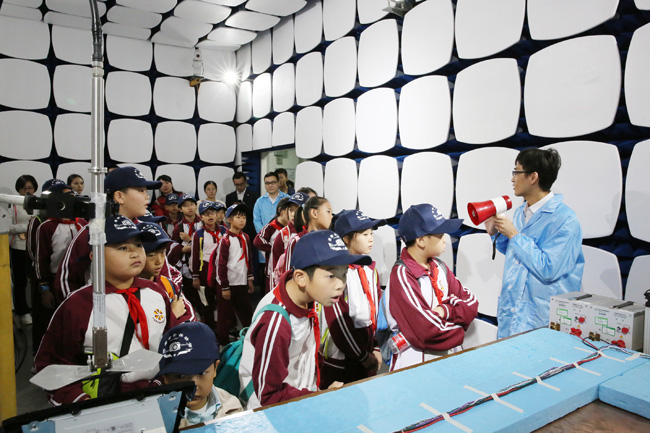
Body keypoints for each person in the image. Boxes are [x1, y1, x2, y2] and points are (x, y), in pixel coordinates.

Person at [35, 215, 183, 405]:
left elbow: (171, 344)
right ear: (95, 255)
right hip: (105, 401)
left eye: (138, 245)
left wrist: (163, 382)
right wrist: (81, 401)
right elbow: (52, 364)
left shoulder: (156, 293)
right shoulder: (79, 305)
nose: (135, 253)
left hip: (158, 393)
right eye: (123, 248)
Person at [238, 230, 371, 409]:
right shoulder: (276, 322)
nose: (341, 285)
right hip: (276, 412)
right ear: (301, 278)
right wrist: (319, 397)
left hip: (299, 398)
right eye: (331, 276)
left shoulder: (305, 298)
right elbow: (268, 395)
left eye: (344, 274)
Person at [484, 148, 584, 339]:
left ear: (533, 177)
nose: (512, 179)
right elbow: (517, 254)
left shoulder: (565, 220)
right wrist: (496, 234)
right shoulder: (521, 212)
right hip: (512, 314)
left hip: (541, 319)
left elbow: (549, 268)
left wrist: (514, 234)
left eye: (516, 172)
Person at [384, 204, 478, 371]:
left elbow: (471, 303)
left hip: (446, 359)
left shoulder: (439, 267)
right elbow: (426, 331)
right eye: (440, 235)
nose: (445, 239)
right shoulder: (402, 274)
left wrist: (445, 310)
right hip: (415, 364)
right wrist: (460, 328)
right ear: (421, 240)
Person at [54, 166, 169, 301]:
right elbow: (67, 277)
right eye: (140, 190)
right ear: (119, 196)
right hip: (102, 307)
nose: (147, 196)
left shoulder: (147, 230)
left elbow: (165, 274)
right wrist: (80, 308)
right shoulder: (94, 231)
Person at [319, 210, 386, 387]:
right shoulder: (336, 273)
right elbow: (338, 323)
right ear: (346, 239)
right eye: (364, 234)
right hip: (340, 360)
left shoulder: (370, 270)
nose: (371, 239)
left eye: (371, 233)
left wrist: (376, 346)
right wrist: (362, 356)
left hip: (367, 353)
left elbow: (377, 311)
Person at [34, 180, 87, 348]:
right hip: (55, 279)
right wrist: (44, 288)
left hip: (80, 278)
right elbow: (41, 259)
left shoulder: (82, 224)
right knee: (56, 320)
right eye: (67, 195)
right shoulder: (46, 227)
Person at [158, 322, 243, 427]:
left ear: (215, 368)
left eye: (201, 373)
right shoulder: (156, 419)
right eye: (180, 376)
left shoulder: (232, 406)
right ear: (165, 378)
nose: (193, 387)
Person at [212, 204, 254, 346]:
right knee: (224, 315)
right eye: (238, 217)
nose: (242, 220)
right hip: (228, 284)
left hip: (241, 282)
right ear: (229, 219)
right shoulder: (225, 240)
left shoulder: (246, 237)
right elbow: (221, 264)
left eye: (244, 217)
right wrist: (224, 286)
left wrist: (250, 278)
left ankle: (251, 338)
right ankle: (223, 343)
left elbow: (249, 259)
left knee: (247, 312)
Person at [136, 221, 195, 322]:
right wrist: (173, 315)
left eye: (163, 252)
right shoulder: (130, 290)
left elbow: (190, 316)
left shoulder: (167, 283)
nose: (159, 261)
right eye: (151, 255)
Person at [254, 193, 309, 293]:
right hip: (287, 286)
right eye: (291, 210)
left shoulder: (310, 233)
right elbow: (275, 267)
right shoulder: (282, 234)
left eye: (298, 210)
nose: (293, 214)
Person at [190, 201, 227, 331]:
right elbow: (195, 256)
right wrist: (195, 276)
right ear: (201, 217)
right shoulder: (198, 234)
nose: (210, 216)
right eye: (206, 214)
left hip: (221, 269)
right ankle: (210, 329)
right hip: (205, 271)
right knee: (207, 302)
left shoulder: (224, 231)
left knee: (223, 301)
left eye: (212, 213)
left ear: (217, 215)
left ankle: (224, 328)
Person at [170, 193, 203, 321]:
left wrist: (190, 240)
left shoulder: (203, 223)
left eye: (192, 204)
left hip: (203, 266)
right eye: (185, 205)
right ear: (180, 209)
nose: (189, 208)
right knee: (190, 295)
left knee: (205, 297)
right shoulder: (178, 227)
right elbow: (172, 248)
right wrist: (182, 249)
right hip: (186, 268)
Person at [280, 196, 333, 275]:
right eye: (328, 212)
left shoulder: (330, 241)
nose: (332, 217)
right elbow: (287, 274)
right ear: (314, 213)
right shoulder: (297, 241)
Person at [10, 174, 37, 325]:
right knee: (20, 281)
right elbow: (9, 226)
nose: (27, 191)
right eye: (24, 188)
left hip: (35, 246)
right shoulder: (13, 204)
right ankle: (22, 311)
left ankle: (35, 308)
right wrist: (27, 227)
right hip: (18, 247)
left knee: (35, 279)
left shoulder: (39, 203)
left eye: (30, 188)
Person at [226, 172, 258, 243]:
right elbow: (228, 215)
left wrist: (245, 207)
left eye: (241, 184)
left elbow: (256, 214)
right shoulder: (229, 197)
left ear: (246, 182)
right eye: (237, 185)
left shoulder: (254, 195)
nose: (239, 187)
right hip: (234, 231)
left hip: (250, 231)